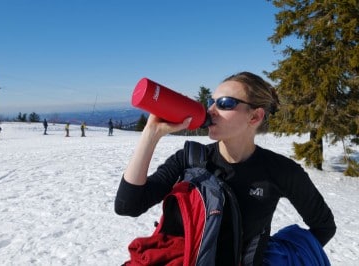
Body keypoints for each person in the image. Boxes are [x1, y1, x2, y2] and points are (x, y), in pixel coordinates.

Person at [114, 72, 336, 265]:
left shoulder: (281, 171)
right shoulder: (190, 159)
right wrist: (151, 134)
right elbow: (128, 205)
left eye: (225, 103)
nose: (211, 110)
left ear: (255, 116)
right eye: (212, 101)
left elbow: (323, 226)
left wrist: (275, 256)